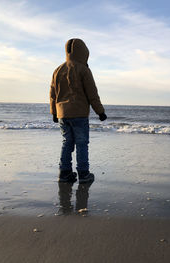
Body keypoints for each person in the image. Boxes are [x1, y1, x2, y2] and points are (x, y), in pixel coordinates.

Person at [50, 38, 107, 184]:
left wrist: (54, 113)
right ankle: (83, 174)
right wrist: (100, 112)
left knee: (66, 143)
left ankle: (64, 174)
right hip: (79, 114)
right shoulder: (84, 70)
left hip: (63, 114)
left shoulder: (58, 70)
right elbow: (92, 93)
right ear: (84, 53)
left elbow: (53, 94)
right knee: (82, 143)